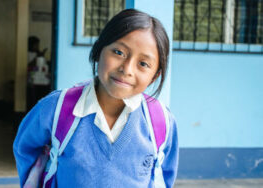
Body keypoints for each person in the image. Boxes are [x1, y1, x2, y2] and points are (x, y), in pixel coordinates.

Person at [14, 9, 179, 188]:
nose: (127, 69)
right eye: (118, 52)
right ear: (99, 50)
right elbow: (26, 148)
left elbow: (164, 175)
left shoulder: (160, 121)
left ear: (154, 76)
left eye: (143, 64)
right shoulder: (56, 108)